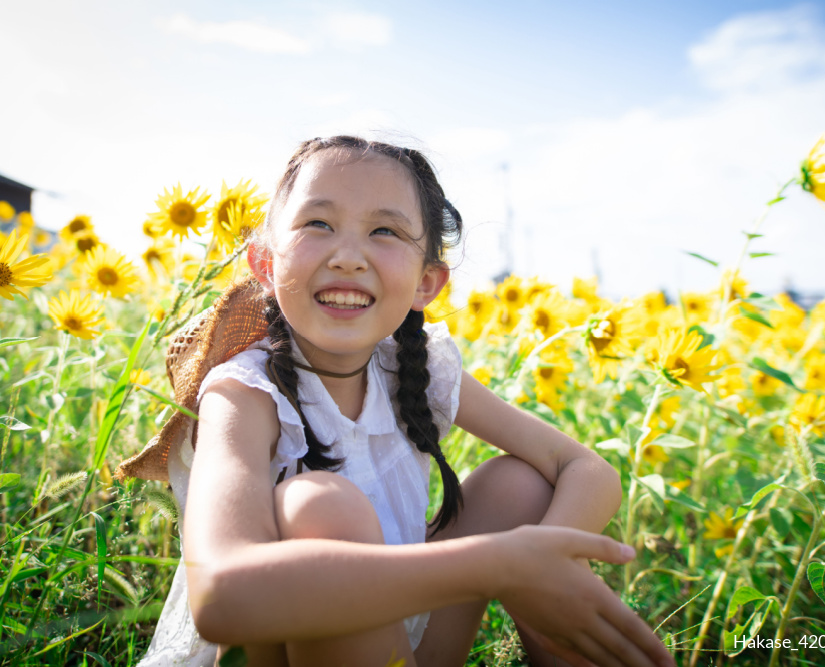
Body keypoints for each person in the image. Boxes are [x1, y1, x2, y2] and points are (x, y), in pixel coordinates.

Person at [127, 136, 676, 667]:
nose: (348, 256)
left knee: (520, 486)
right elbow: (223, 600)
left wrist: (550, 565)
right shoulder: (243, 395)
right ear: (266, 265)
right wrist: (498, 567)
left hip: (400, 646)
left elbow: (585, 468)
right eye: (319, 223)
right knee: (320, 504)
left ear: (426, 284)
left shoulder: (415, 365)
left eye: (384, 231)